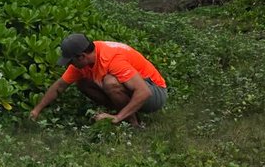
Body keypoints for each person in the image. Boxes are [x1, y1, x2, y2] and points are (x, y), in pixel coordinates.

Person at [30, 33, 167, 127]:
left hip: (155, 92)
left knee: (110, 82)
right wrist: (36, 110)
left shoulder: (111, 58)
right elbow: (59, 87)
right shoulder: (83, 62)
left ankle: (132, 124)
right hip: (138, 90)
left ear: (81, 56)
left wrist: (117, 117)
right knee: (83, 83)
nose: (69, 65)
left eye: (70, 61)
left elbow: (144, 92)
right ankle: (125, 115)